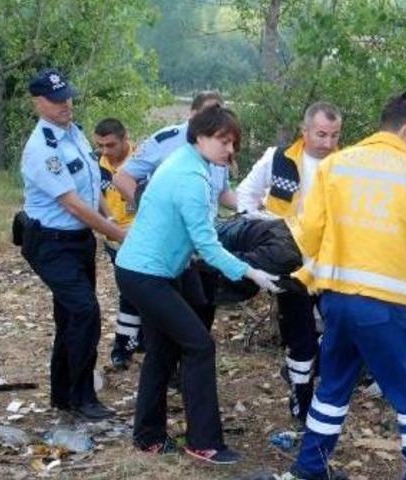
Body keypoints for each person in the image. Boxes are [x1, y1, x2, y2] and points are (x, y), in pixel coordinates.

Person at [114, 105, 282, 464]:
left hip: (151, 270)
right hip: (145, 274)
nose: (230, 150)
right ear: (200, 137)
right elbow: (206, 244)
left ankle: (148, 437)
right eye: (223, 141)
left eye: (233, 143)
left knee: (163, 350)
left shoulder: (190, 163)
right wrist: (251, 272)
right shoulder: (190, 176)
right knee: (199, 345)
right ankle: (204, 442)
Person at [284, 92, 406, 480]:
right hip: (383, 306)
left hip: (336, 299)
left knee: (333, 388)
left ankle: (310, 468)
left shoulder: (336, 164)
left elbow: (309, 232)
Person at [18, 68, 125, 421]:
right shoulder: (41, 149)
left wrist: (111, 217)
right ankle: (82, 397)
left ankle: (62, 394)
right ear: (38, 102)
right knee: (84, 312)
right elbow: (73, 204)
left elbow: (90, 187)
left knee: (69, 316)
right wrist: (117, 234)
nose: (65, 104)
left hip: (78, 240)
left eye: (67, 97)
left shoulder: (74, 132)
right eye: (56, 100)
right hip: (50, 243)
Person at [236, 101, 342, 423]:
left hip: (329, 265)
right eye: (321, 134)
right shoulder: (278, 158)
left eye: (334, 135)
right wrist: (265, 229)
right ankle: (301, 403)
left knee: (341, 331)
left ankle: (317, 384)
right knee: (300, 337)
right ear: (304, 130)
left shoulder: (346, 166)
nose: (327, 142)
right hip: (290, 267)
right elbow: (245, 195)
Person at [114, 91, 233, 333]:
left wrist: (256, 205)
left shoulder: (220, 147)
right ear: (192, 114)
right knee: (168, 323)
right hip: (167, 247)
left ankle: (188, 355)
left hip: (202, 244)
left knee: (201, 310)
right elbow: (123, 177)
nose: (214, 120)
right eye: (209, 113)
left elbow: (223, 193)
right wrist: (152, 212)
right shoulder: (168, 140)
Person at [93, 118, 142, 369]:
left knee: (138, 292)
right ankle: (127, 346)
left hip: (142, 239)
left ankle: (128, 346)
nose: (105, 151)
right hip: (113, 240)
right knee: (129, 292)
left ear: (125, 139)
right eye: (100, 145)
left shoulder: (143, 161)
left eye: (110, 145)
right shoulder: (95, 164)